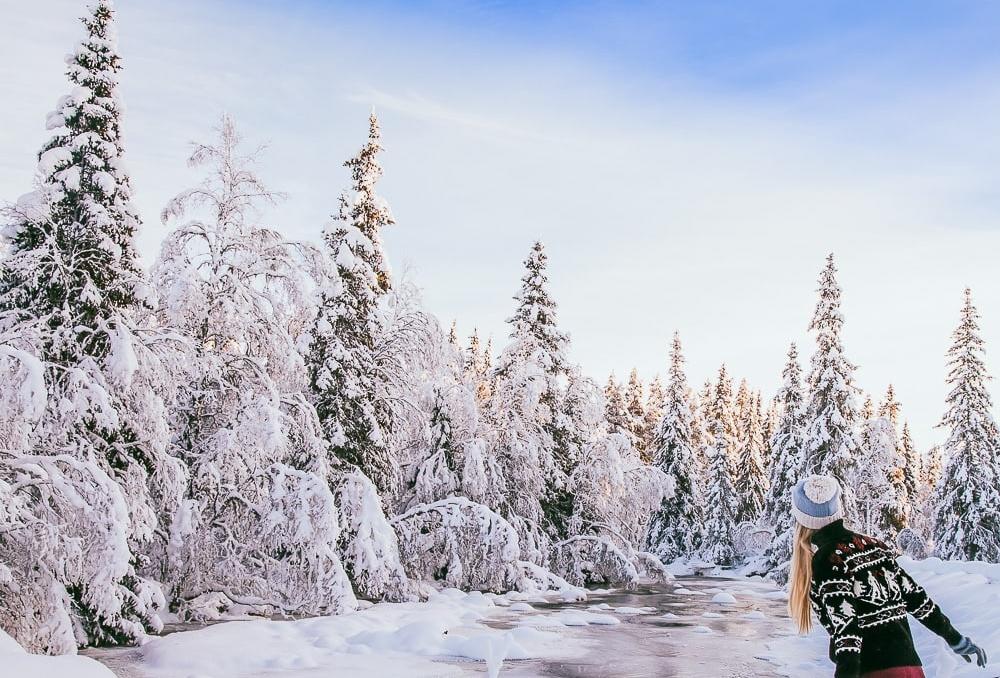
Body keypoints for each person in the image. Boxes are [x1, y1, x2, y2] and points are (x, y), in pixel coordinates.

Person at [787, 474, 988, 678]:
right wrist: (956, 639)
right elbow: (917, 599)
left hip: (873, 671)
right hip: (911, 669)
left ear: (802, 519)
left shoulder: (828, 560)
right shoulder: (874, 546)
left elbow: (848, 632)